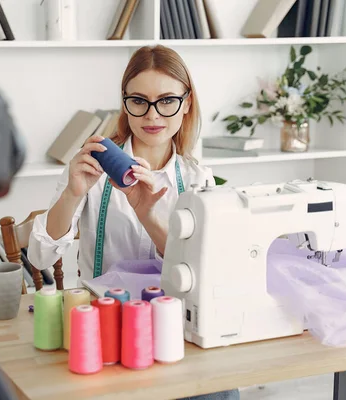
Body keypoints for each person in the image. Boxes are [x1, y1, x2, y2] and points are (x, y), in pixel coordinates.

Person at [28, 45, 240, 400]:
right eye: (139, 101)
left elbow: (205, 272)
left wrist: (148, 216)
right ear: (124, 102)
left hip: (175, 329)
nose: (152, 114)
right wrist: (72, 193)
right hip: (105, 330)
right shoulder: (94, 168)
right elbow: (40, 258)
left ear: (187, 103)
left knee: (218, 392)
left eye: (167, 100)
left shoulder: (197, 179)